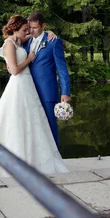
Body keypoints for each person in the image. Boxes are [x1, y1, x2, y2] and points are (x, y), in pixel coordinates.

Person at [0, 15, 68, 180]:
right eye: (25, 30)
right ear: (15, 29)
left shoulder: (31, 40)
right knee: (15, 122)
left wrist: (48, 31)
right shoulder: (13, 43)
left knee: (39, 124)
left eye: (31, 29)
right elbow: (13, 69)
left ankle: (46, 159)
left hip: (35, 88)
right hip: (20, 85)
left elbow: (40, 39)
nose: (28, 32)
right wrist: (29, 59)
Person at [24, 12, 71, 149]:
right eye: (30, 27)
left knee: (50, 126)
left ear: (43, 26)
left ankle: (55, 160)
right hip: (28, 91)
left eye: (35, 28)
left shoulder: (53, 42)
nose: (31, 31)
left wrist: (65, 92)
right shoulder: (26, 41)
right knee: (33, 127)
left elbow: (62, 69)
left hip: (47, 92)